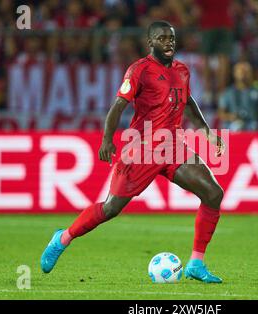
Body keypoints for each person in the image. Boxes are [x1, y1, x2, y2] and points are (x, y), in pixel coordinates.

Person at [40, 21, 226, 283]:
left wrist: (205, 130)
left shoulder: (183, 70)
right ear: (151, 43)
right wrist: (107, 140)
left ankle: (196, 262)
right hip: (142, 149)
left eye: (171, 38)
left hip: (172, 146)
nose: (169, 42)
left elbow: (188, 101)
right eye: (162, 38)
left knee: (213, 193)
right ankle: (62, 238)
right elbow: (118, 106)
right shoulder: (139, 70)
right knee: (111, 208)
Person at [218, 61, 258, 132]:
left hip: (252, 124)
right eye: (240, 71)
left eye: (246, 71)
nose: (243, 73)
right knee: (236, 126)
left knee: (253, 126)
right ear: (234, 73)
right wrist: (231, 117)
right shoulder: (227, 92)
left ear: (251, 73)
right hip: (233, 124)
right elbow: (221, 113)